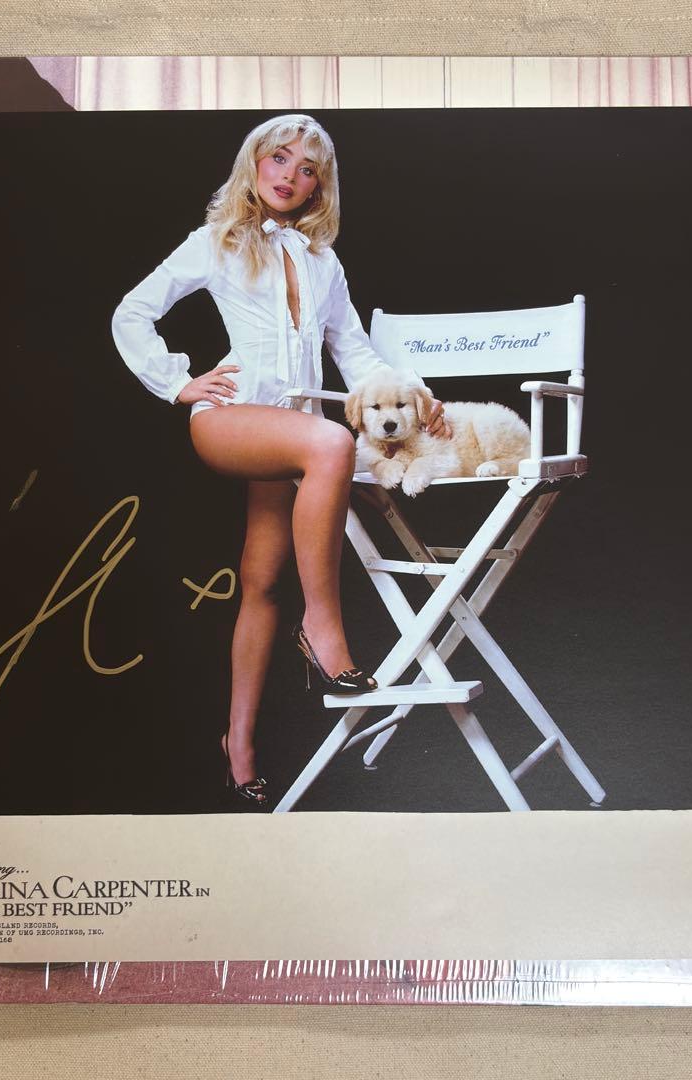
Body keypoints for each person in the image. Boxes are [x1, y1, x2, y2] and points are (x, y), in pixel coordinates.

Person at [112, 114, 448, 810]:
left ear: (320, 186)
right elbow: (131, 313)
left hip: (291, 434)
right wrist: (178, 383)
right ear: (254, 163)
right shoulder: (216, 242)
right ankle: (321, 629)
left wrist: (415, 396)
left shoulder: (323, 261)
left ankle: (237, 747)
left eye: (307, 168)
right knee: (332, 442)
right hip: (229, 421)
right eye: (279, 159)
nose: (290, 176)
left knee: (261, 581)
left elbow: (354, 352)